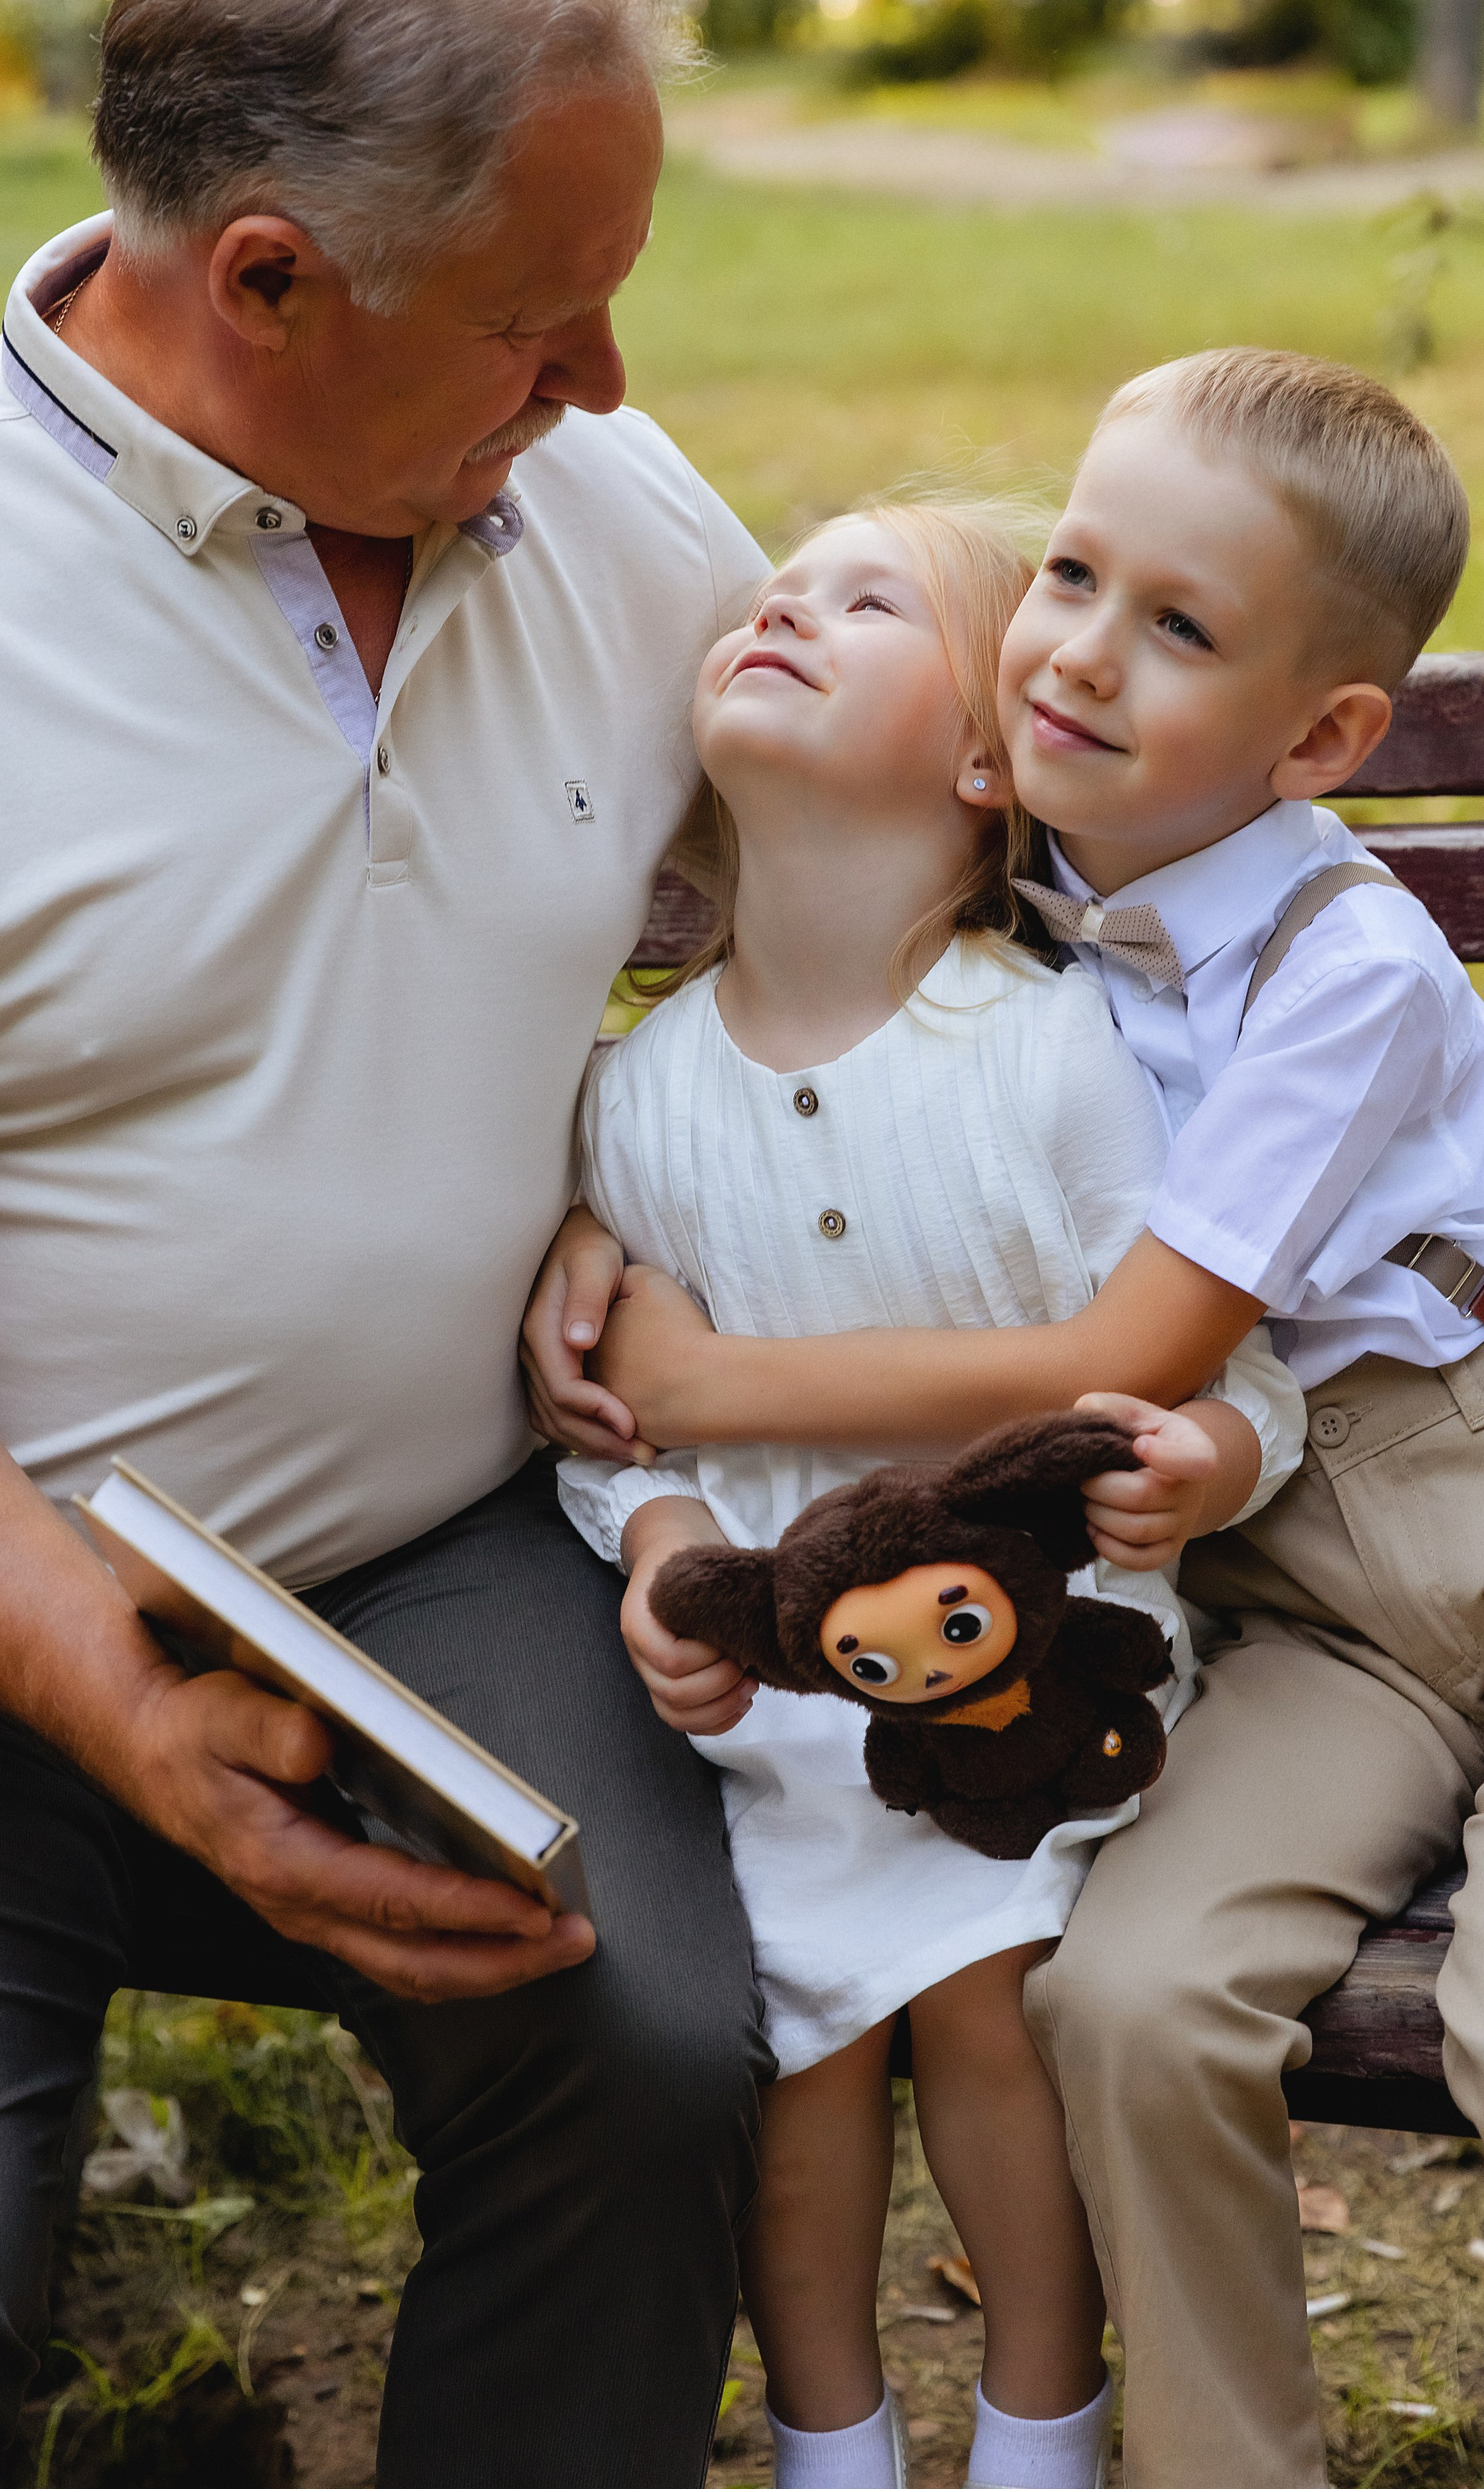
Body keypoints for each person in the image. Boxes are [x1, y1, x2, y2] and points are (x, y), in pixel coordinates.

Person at [0, 0, 776, 2488]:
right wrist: (113, 1693)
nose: (607, 385)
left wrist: (642, 1177)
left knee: (653, 2056)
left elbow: (891, 898)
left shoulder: (597, 512)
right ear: (264, 280)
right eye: (539, 320)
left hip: (431, 1554)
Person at [542, 350, 1484, 2488]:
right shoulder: (1039, 900)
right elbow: (823, 1056)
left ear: (1317, 741)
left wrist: (714, 1387)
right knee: (1126, 2005)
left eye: (1181, 627)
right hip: (1298, 1598)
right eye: (1067, 575)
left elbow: (1130, 1342)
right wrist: (600, 1216)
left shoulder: (1341, 962)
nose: (1081, 653)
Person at [550, 499, 1305, 2489]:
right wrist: (665, 1547)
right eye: (774, 592)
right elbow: (619, 1435)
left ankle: (1041, 2433)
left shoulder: (1042, 1055)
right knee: (798, 2077)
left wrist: (1209, 1467)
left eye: (866, 599)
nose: (787, 606)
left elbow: (1216, 1359)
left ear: (986, 759)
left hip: (1031, 1688)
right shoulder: (641, 1098)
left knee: (987, 2016)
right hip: (782, 1704)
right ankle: (835, 2447)